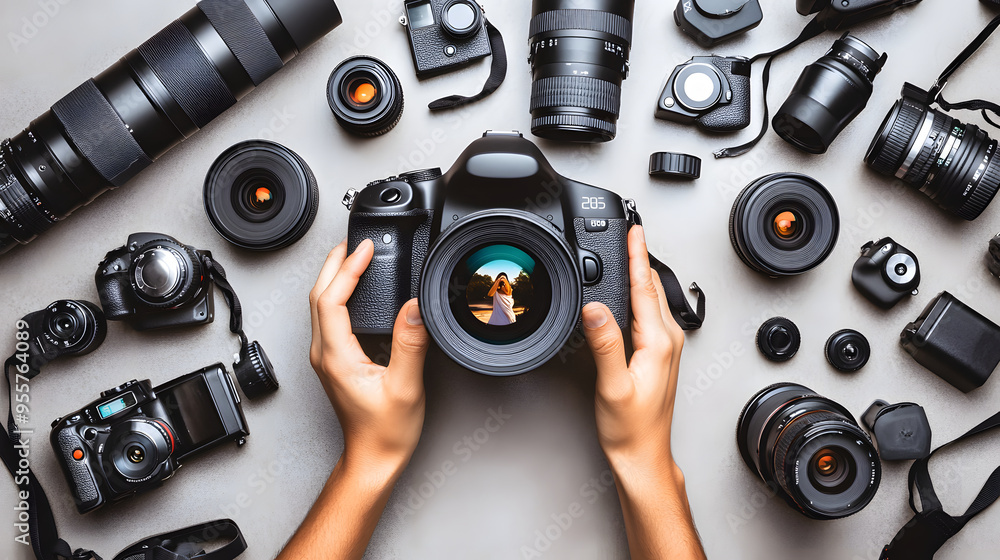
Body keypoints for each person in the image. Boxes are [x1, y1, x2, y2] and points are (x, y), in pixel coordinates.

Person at [277, 226, 706, 560]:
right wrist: (647, 464)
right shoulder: (499, 288)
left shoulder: (508, 289)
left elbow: (511, 297)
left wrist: (370, 459)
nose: (502, 277)